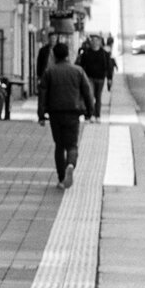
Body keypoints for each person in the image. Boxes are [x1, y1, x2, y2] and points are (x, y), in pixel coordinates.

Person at [36, 40, 95, 187]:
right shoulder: (78, 71)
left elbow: (42, 94)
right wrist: (90, 112)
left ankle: (62, 178)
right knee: (72, 145)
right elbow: (87, 93)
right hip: (73, 113)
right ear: (68, 55)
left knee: (59, 145)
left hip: (55, 113)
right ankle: (71, 164)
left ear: (54, 56)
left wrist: (41, 115)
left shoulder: (49, 72)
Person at [76, 34, 115, 120]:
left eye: (96, 40)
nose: (94, 42)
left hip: (100, 78)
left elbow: (109, 67)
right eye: (92, 40)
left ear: (100, 42)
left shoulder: (104, 54)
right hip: (89, 78)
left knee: (98, 97)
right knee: (90, 96)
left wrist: (109, 78)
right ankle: (91, 114)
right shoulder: (86, 53)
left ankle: (97, 115)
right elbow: (82, 66)